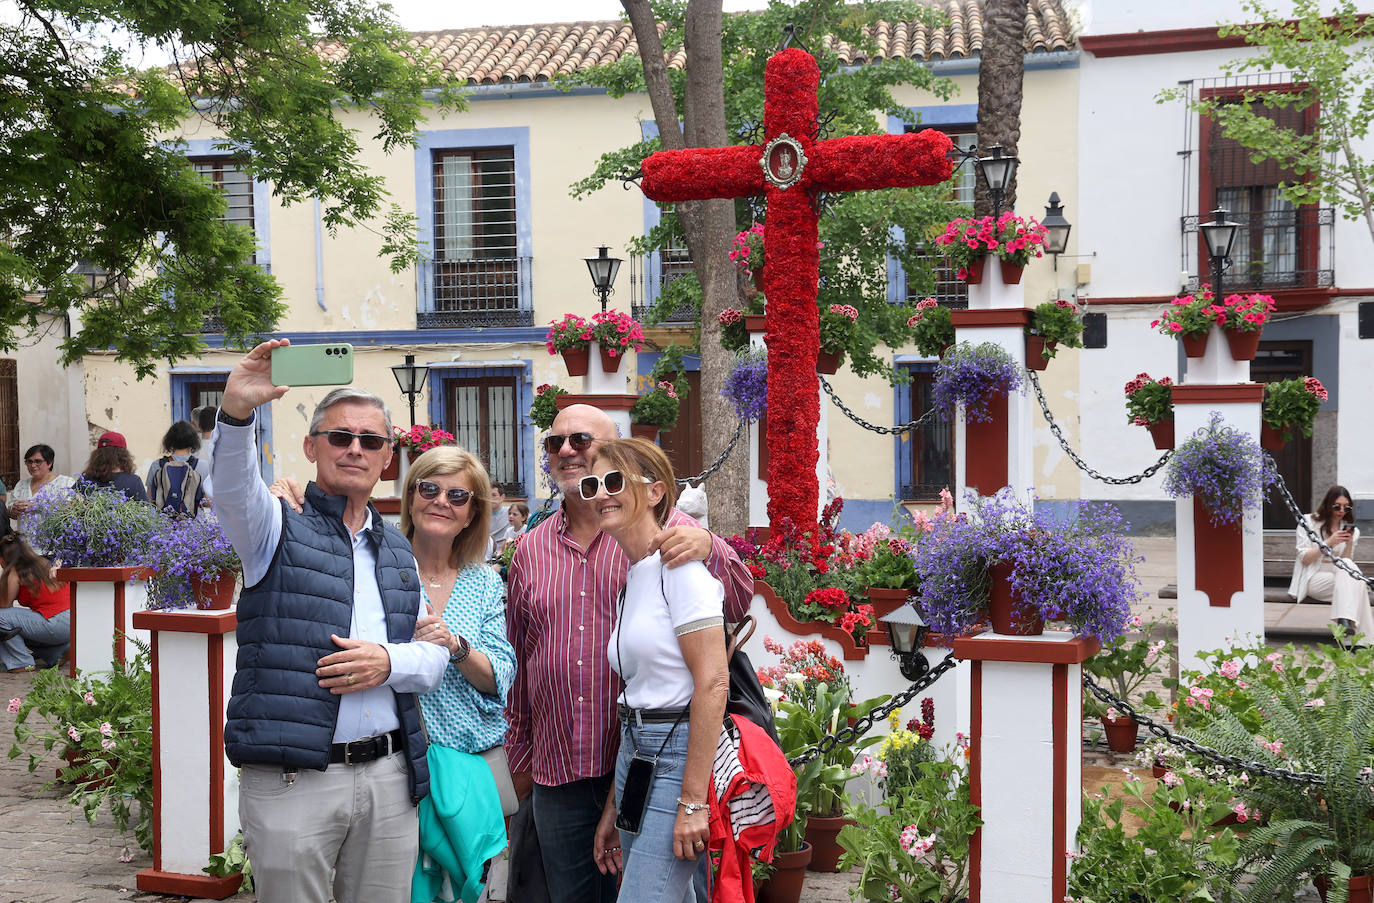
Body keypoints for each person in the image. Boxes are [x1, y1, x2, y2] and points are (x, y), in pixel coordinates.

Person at [211, 338, 449, 903]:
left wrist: (387, 660)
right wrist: (238, 411)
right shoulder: (275, 526)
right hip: (295, 780)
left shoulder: (396, 550)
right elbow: (231, 491)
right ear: (312, 446)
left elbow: (434, 659)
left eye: (370, 440)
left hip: (390, 779)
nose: (354, 450)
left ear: (387, 457)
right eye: (340, 437)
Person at [505, 403, 753, 903]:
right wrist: (521, 756)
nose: (569, 452)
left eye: (584, 442)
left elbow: (735, 607)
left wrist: (709, 542)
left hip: (666, 754)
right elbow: (521, 655)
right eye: (557, 443)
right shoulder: (533, 548)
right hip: (572, 763)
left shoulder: (673, 543)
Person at [270, 445, 518, 901]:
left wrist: (456, 646)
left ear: (471, 514)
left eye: (458, 496)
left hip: (467, 767)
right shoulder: (375, 559)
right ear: (410, 497)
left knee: (466, 889)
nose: (441, 501)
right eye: (429, 488)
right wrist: (287, 495)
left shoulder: (484, 581)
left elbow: (500, 674)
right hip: (398, 768)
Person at [587, 439, 728, 901]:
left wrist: (693, 802)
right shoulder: (635, 574)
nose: (601, 494)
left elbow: (713, 682)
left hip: (676, 755)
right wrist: (613, 805)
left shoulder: (680, 569)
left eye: (614, 481)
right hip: (636, 753)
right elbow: (638, 692)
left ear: (655, 492)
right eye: (594, 484)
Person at [1289, 484, 1374, 640]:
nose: (1342, 511)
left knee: (1356, 581)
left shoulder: (1350, 530)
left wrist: (1348, 542)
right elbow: (1305, 559)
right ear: (1328, 505)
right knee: (1358, 585)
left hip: (1338, 576)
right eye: (1337, 506)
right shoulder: (1308, 522)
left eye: (1347, 508)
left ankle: (1345, 621)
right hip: (1313, 576)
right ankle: (1363, 641)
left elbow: (1347, 562)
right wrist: (1329, 542)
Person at [0, 533, 70, 673]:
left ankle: (20, 662)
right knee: (18, 628)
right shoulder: (44, 563)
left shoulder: (15, 571)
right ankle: (58, 653)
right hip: (74, 621)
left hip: (55, 623)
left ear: (2, 560)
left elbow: (4, 606)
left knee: (2, 619)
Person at [146, 420, 210, 515]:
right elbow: (207, 502)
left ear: (169, 441)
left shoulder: (157, 465)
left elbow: (150, 499)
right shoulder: (202, 466)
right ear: (193, 441)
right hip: (193, 525)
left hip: (162, 523)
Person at [74, 432, 150, 503]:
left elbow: (70, 505)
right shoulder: (133, 482)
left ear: (97, 455)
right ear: (123, 456)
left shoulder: (84, 481)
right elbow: (146, 510)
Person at [8, 444, 75, 519]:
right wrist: (13, 511)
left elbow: (71, 508)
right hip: (22, 531)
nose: (33, 465)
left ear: (49, 463)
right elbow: (11, 512)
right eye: (29, 461)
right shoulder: (21, 485)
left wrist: (36, 506)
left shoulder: (66, 483)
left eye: (38, 461)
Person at [194, 405, 218, 497]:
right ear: (217, 425)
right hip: (217, 502)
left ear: (199, 426)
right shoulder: (224, 450)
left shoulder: (192, 450)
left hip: (195, 503)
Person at [488, 486, 512, 558]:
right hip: (486, 556)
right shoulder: (480, 516)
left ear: (502, 497)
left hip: (505, 555)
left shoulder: (511, 513)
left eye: (494, 495)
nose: (490, 499)